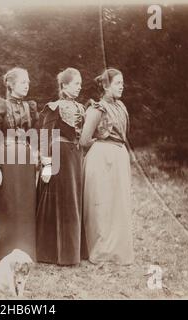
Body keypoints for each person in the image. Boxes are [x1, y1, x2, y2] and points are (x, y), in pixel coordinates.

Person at [79, 68, 134, 265]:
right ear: (105, 85)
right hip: (101, 158)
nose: (122, 86)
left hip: (119, 157)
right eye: (118, 83)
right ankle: (100, 250)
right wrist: (102, 147)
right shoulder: (97, 108)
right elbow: (84, 140)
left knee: (117, 203)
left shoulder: (121, 107)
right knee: (101, 203)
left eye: (122, 83)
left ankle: (116, 250)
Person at [0, 67, 39, 262]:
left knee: (24, 205)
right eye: (23, 82)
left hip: (25, 162)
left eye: (28, 82)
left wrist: (37, 154)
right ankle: (3, 251)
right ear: (11, 84)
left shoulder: (30, 107)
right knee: (6, 203)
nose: (27, 86)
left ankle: (24, 249)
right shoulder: (0, 106)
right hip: (6, 160)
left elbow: (35, 135)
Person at [36, 68, 85, 266]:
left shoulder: (82, 108)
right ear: (64, 86)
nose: (79, 87)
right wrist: (46, 164)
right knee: (59, 199)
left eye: (81, 84)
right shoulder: (53, 107)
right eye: (75, 84)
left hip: (75, 156)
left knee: (73, 199)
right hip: (58, 154)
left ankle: (72, 252)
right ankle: (51, 253)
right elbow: (45, 136)